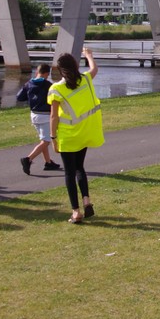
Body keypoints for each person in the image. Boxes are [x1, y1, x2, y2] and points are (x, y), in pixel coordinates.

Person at [49, 49, 104, 224]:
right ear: (75, 65)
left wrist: (53, 138)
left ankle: (76, 212)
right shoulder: (86, 80)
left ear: (60, 70)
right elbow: (94, 69)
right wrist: (88, 55)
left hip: (68, 135)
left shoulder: (56, 89)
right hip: (84, 132)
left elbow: (54, 116)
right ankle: (87, 200)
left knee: (69, 173)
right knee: (80, 167)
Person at [17, 64, 62, 175]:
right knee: (46, 141)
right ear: (47, 73)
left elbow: (19, 97)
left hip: (34, 115)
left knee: (43, 140)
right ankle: (28, 159)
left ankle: (48, 162)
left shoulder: (28, 83)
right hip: (45, 115)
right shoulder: (48, 85)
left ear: (37, 72)